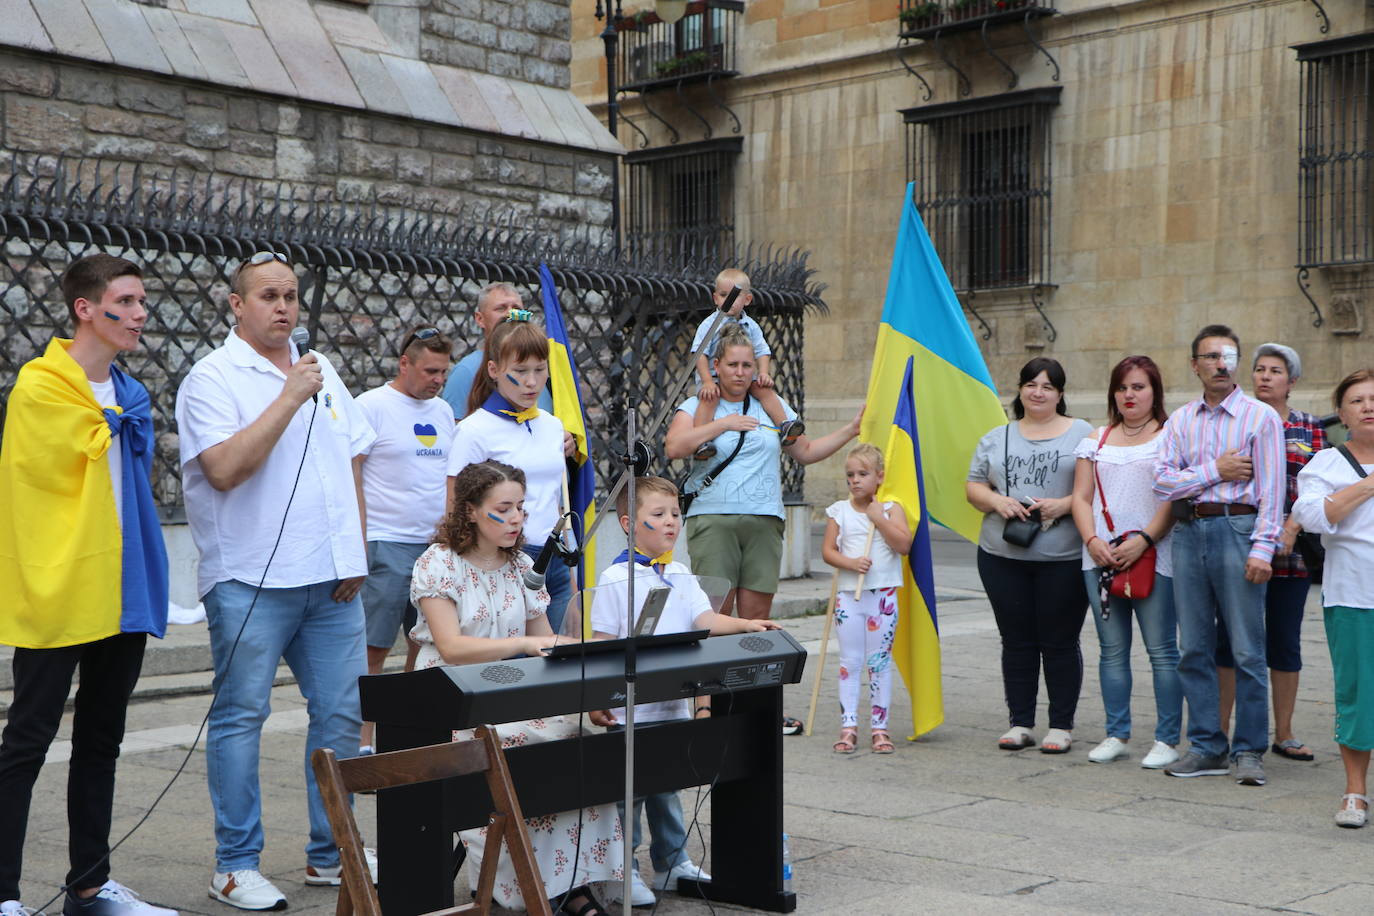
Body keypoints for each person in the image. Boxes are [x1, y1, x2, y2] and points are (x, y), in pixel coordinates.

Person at [175, 251, 376, 910]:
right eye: (268, 295)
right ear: (236, 304)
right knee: (242, 717)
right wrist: (288, 397)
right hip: (250, 580)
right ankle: (234, 864)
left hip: (331, 579)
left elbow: (350, 456)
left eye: (291, 295)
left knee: (342, 714)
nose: (284, 307)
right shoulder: (211, 378)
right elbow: (225, 469)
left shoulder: (321, 369)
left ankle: (330, 852)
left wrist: (355, 551)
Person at [0, 254, 175, 916]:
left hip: (123, 588)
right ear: (86, 310)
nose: (138, 315)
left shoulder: (130, 395)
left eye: (140, 303)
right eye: (125, 302)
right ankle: (3, 894)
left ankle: (91, 886)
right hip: (64, 586)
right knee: (27, 738)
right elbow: (36, 481)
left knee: (102, 740)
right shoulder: (41, 386)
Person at [410, 460, 619, 914]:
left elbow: (548, 645)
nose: (517, 518)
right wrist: (524, 641)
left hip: (505, 693)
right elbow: (451, 647)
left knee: (578, 740)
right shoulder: (438, 563)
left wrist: (589, 690)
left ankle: (571, 882)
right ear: (469, 512)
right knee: (522, 746)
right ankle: (523, 888)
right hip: (447, 701)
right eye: (503, 509)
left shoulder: (522, 564)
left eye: (521, 508)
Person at [589, 476, 779, 905]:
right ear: (628, 523)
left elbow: (705, 620)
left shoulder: (679, 572)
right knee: (630, 794)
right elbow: (603, 642)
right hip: (632, 707)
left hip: (671, 701)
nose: (671, 522)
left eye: (675, 513)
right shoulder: (616, 576)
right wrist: (601, 698)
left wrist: (748, 625)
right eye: (658, 515)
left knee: (667, 785)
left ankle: (672, 862)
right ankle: (625, 869)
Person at [666, 323, 860, 734]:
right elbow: (675, 448)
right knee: (715, 617)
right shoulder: (696, 405)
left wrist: (851, 431)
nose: (740, 372)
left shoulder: (772, 406)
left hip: (764, 519)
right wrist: (722, 424)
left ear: (757, 368)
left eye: (747, 365)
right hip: (713, 518)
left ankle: (757, 710)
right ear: (715, 367)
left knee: (757, 620)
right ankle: (708, 708)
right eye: (732, 364)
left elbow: (805, 452)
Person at [1154, 324, 1285, 786]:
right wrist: (1217, 469)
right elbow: (1163, 483)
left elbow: (1272, 491)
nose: (1219, 363)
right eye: (1210, 356)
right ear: (1195, 365)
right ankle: (1208, 746)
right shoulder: (1180, 420)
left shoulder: (1260, 418)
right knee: (1193, 647)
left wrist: (1264, 548)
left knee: (1248, 648)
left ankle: (1249, 750)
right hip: (1189, 532)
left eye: (1227, 356)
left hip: (1239, 528)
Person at [966, 357, 1092, 754]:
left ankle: (1061, 725)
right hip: (1003, 555)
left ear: (1060, 394)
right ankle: (1020, 722)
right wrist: (997, 501)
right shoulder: (997, 436)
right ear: (1020, 390)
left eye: (1048, 386)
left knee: (1059, 641)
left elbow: (1098, 487)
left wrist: (1065, 504)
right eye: (1031, 384)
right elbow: (973, 487)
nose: (1038, 392)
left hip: (1065, 557)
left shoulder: (1084, 435)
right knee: (1016, 641)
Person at [1216, 343, 1325, 762]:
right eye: (1259, 369)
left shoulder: (1308, 427)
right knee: (1228, 639)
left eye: (1275, 371)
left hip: (1290, 553)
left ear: (1291, 382)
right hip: (1236, 546)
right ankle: (1222, 728)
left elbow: (1319, 484)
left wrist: (1292, 523)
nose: (1264, 376)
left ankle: (1285, 732)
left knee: (1284, 641)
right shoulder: (1235, 420)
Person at [1070, 356, 1181, 769]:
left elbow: (1174, 498)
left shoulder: (1170, 436)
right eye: (1122, 387)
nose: (1129, 395)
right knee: (1111, 650)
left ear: (1155, 391)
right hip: (1099, 557)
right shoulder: (1096, 439)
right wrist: (1092, 539)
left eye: (1138, 387)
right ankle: (1116, 733)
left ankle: (1168, 738)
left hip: (1154, 556)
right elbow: (1081, 497)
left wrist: (1145, 538)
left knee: (1163, 651)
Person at [354, 326, 457, 755]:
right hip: (386, 542)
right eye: (430, 370)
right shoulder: (371, 405)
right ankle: (360, 743)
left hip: (433, 547)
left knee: (425, 648)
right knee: (374, 649)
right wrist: (357, 541)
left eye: (443, 373)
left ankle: (405, 740)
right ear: (404, 363)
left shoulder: (444, 411)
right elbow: (352, 472)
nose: (436, 380)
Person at [448, 316, 577, 634]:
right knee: (516, 668)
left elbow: (553, 498)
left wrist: (569, 559)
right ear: (494, 370)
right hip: (502, 559)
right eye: (520, 371)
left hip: (556, 557)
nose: (532, 382)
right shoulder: (473, 431)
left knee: (562, 661)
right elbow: (455, 510)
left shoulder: (551, 424)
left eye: (539, 369)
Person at [1292, 369, 1374, 827]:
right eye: (1357, 400)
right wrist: (1368, 483)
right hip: (1354, 595)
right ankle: (1355, 792)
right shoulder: (1325, 466)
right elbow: (1315, 517)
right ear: (1341, 413)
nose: (1368, 406)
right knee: (1358, 693)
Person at [821, 444, 910, 756]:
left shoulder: (890, 509)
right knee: (850, 662)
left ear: (879, 476)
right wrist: (850, 563)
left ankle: (880, 727)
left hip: (882, 597)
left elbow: (904, 544)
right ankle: (848, 726)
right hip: (850, 597)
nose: (855, 480)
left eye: (863, 473)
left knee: (879, 662)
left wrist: (879, 519)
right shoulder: (838, 511)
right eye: (850, 475)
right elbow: (828, 551)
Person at [689, 268, 799, 460]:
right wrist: (706, 381)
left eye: (734, 296)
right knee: (709, 399)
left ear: (747, 300)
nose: (728, 301)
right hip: (714, 378)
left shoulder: (752, 326)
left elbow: (762, 351)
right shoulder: (709, 325)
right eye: (724, 296)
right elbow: (699, 354)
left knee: (764, 390)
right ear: (715, 298)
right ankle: (701, 441)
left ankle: (785, 425)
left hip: (743, 379)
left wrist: (764, 373)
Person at [439, 281, 550, 420]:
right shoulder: (465, 371)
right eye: (501, 308)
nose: (510, 313)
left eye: (516, 307)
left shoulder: (539, 365)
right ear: (480, 319)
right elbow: (455, 430)